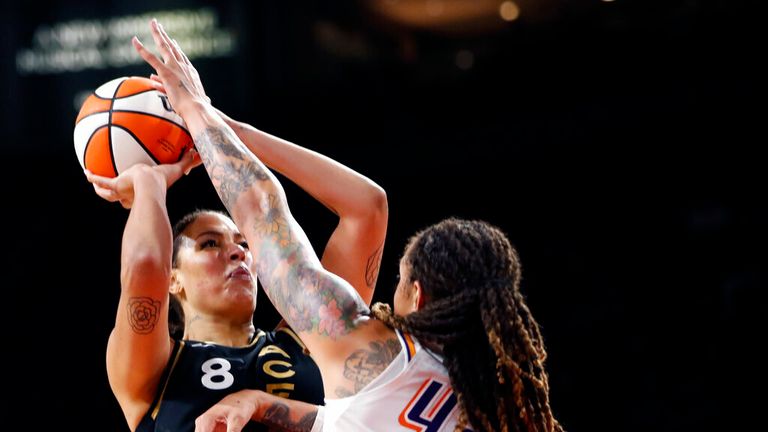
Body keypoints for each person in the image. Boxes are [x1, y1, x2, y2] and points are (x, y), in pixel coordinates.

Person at [135, 19, 562, 432]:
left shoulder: (374, 354)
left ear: (418, 296)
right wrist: (260, 402)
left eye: (399, 281)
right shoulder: (502, 402)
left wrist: (195, 110)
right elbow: (357, 420)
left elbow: (261, 211)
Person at [85, 58, 388, 432]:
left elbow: (367, 208)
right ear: (173, 278)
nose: (238, 251)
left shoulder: (311, 337)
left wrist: (224, 129)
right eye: (209, 243)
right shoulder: (155, 369)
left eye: (244, 243)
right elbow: (146, 265)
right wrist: (150, 183)